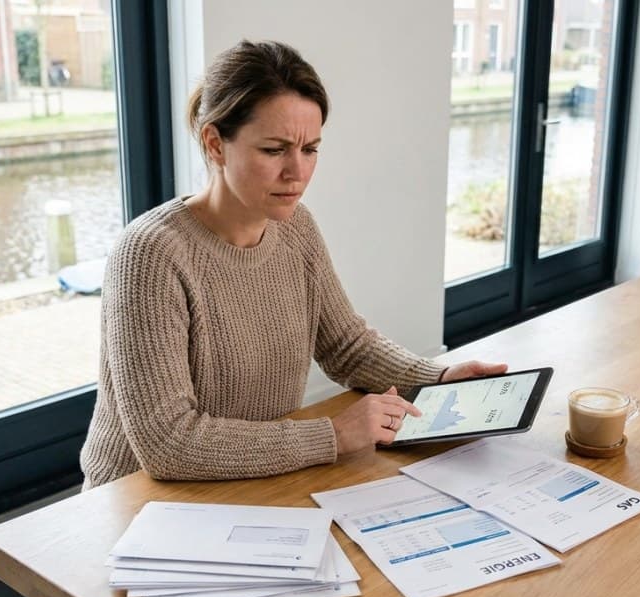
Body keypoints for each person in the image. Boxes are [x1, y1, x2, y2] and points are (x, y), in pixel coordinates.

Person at [80, 40, 506, 489]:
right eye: (274, 150)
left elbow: (347, 346)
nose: (297, 172)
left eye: (310, 149)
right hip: (140, 503)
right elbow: (169, 443)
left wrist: (439, 377)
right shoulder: (151, 254)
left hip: (251, 482)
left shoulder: (296, 228)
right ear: (215, 143)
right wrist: (334, 435)